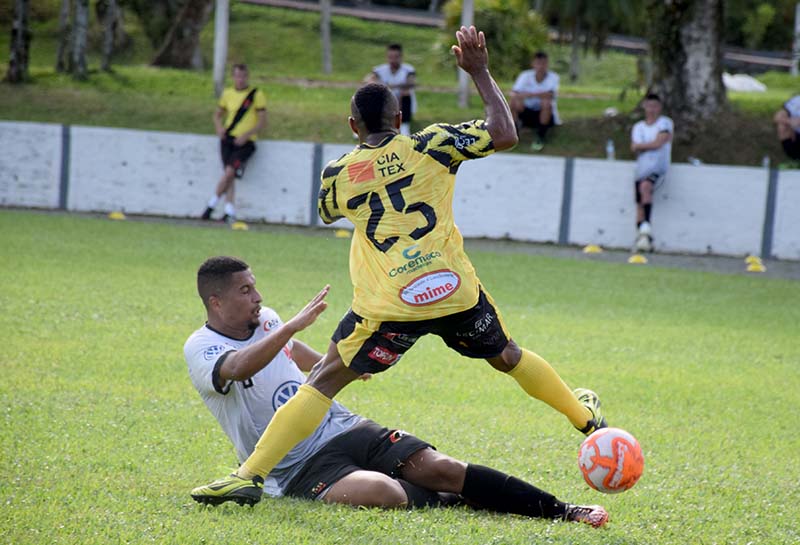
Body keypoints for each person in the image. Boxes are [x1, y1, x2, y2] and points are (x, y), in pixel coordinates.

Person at [192, 25, 606, 506]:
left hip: (391, 302)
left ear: (352, 126)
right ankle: (584, 419)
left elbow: (327, 211)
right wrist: (479, 71)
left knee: (325, 379)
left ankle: (249, 475)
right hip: (452, 290)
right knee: (507, 356)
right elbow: (505, 133)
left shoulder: (338, 174)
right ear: (400, 116)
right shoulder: (431, 144)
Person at [185, 256, 609, 528]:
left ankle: (562, 511)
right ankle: (456, 498)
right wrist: (292, 326)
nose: (258, 297)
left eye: (255, 286)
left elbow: (290, 350)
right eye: (245, 291)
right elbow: (240, 366)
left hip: (343, 426)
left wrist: (327, 365)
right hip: (294, 467)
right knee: (383, 494)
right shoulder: (202, 347)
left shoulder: (268, 321)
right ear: (216, 302)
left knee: (439, 465)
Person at [201, 64, 267, 224]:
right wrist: (219, 129)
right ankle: (229, 211)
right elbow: (217, 115)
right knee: (228, 175)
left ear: (247, 77)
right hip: (228, 140)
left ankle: (211, 205)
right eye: (237, 76)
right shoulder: (228, 94)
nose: (240, 79)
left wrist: (247, 135)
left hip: (245, 143)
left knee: (229, 172)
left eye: (243, 76)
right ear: (233, 77)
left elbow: (263, 121)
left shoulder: (256, 95)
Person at [630, 93, 673, 253]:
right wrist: (647, 145)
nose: (652, 110)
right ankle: (643, 239)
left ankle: (646, 226)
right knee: (640, 203)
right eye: (649, 106)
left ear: (660, 107)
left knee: (646, 187)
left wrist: (642, 145)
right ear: (644, 107)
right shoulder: (638, 127)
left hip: (658, 168)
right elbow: (634, 147)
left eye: (655, 106)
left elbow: (659, 142)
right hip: (641, 169)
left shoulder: (665, 123)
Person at [509, 51, 560, 151]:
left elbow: (550, 94)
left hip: (544, 113)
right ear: (533, 64)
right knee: (514, 102)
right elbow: (514, 93)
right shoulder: (525, 75)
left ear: (547, 64)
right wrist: (537, 95)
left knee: (546, 102)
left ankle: (540, 137)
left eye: (544, 63)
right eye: (538, 63)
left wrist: (528, 95)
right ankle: (514, 133)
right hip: (527, 111)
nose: (541, 66)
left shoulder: (553, 77)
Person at [366, 44, 416, 136]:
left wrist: (393, 86)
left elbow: (411, 83)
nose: (393, 60)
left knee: (405, 92)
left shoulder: (408, 69)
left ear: (401, 57)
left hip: (401, 101)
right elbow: (369, 80)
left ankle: (404, 124)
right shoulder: (380, 69)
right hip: (386, 100)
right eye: (390, 57)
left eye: (396, 57)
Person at [773, 95, 800, 162]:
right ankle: (794, 158)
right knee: (782, 126)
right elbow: (777, 117)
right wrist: (790, 121)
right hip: (797, 134)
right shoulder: (796, 100)